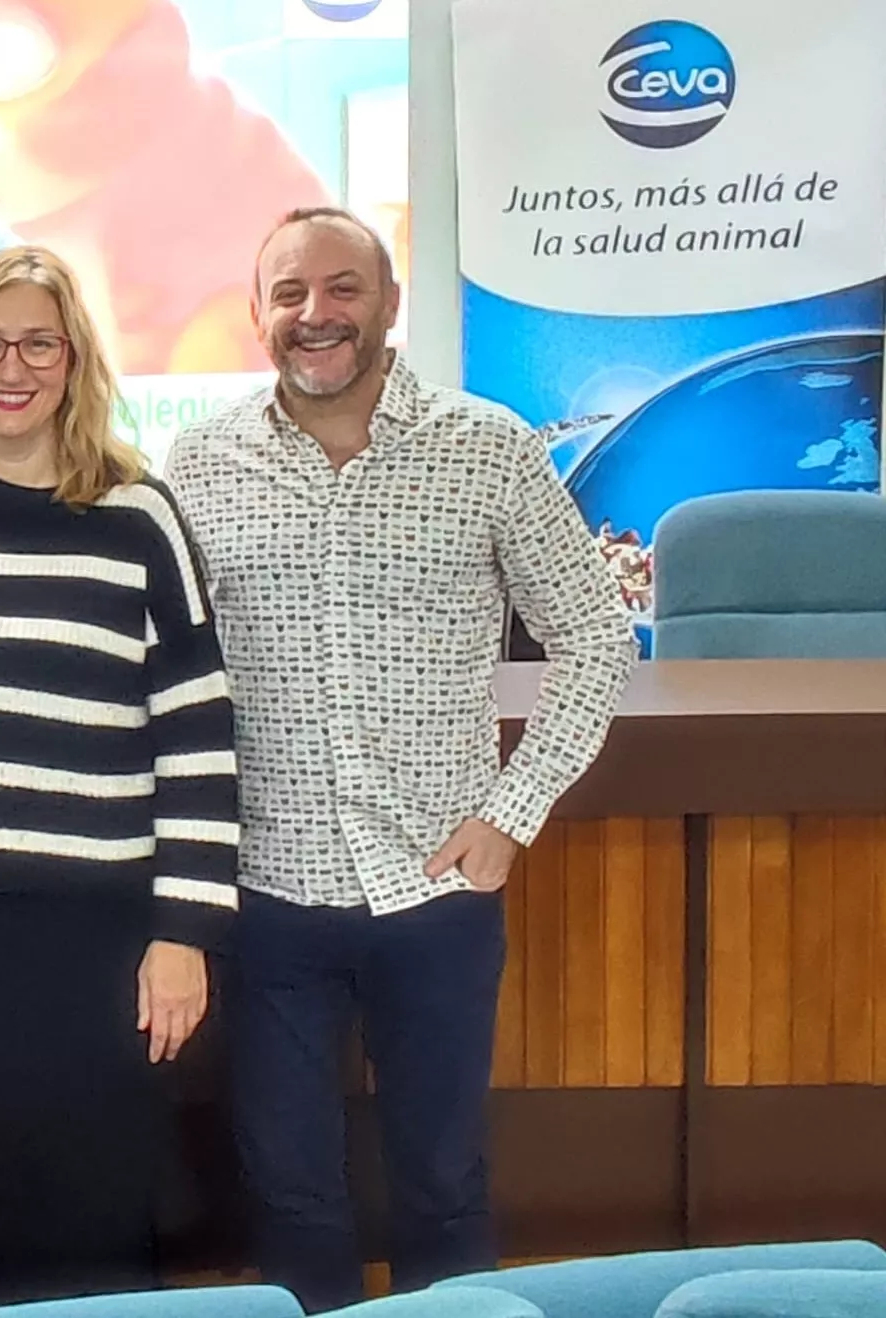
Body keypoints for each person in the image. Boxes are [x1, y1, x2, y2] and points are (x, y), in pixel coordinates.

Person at [162, 207, 636, 1313]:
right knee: (287, 1188)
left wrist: (512, 810)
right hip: (265, 890)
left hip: (434, 886)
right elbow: (173, 669)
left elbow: (592, 636)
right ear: (257, 313)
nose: (313, 315)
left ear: (386, 305)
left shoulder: (488, 447)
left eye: (341, 289)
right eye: (288, 294)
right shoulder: (201, 461)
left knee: (439, 1179)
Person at [0, 246, 241, 1312]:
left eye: (37, 341)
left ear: (74, 359)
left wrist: (184, 935)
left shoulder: (137, 517)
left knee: (101, 1219)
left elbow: (196, 730)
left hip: (109, 940)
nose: (11, 366)